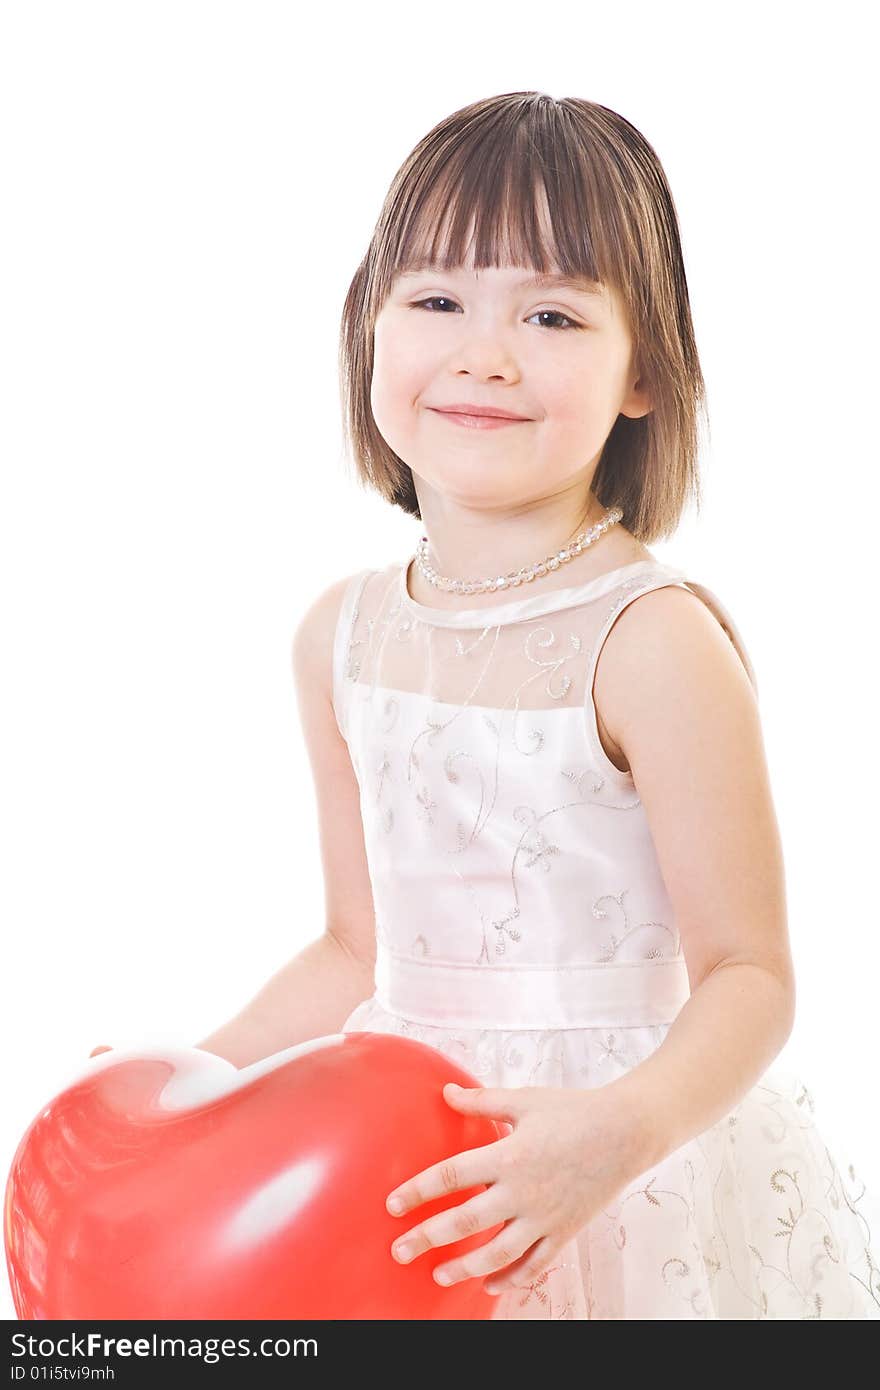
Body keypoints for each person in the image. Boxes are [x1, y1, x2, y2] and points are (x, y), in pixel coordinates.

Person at [94, 91, 880, 1319]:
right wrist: (199, 1073)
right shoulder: (340, 635)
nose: (486, 352)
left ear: (645, 375)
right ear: (370, 331)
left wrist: (616, 1135)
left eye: (554, 313)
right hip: (404, 1161)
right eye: (438, 300)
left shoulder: (651, 640)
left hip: (612, 1162)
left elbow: (750, 972)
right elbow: (361, 945)